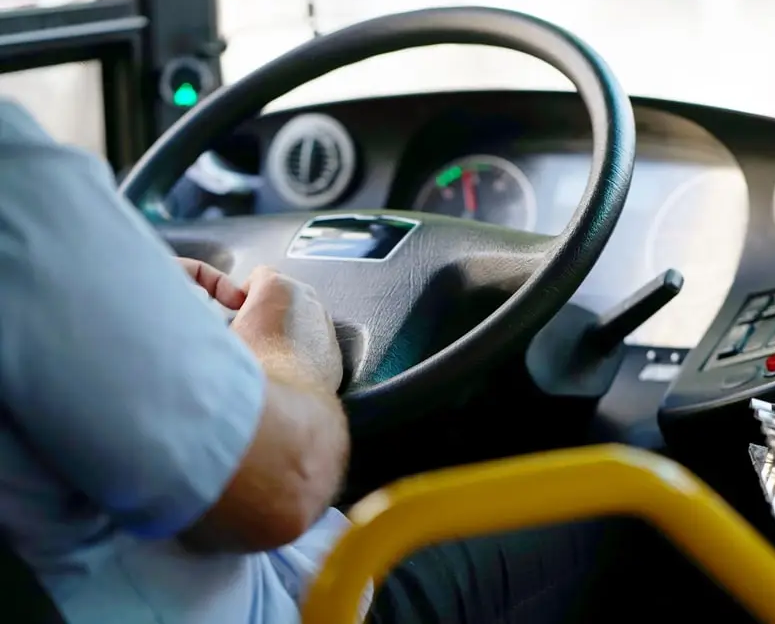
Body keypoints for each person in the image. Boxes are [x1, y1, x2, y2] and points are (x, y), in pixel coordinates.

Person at [0, 100, 730, 624]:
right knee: (644, 492)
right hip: (314, 604)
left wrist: (155, 311)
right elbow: (285, 485)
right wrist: (288, 353)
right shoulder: (18, 180)